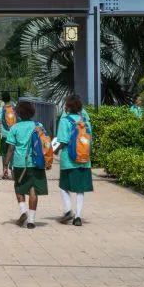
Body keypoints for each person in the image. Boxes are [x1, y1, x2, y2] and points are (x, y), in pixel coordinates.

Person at [4, 100, 45, 229]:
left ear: (19, 113)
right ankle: (31, 221)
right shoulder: (38, 126)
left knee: (19, 188)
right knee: (33, 190)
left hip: (20, 163)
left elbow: (11, 149)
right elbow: (45, 143)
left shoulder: (15, 128)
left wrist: (6, 165)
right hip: (36, 162)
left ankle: (23, 211)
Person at [56, 95, 92, 227]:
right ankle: (78, 216)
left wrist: (55, 151)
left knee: (63, 186)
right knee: (80, 189)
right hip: (84, 160)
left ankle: (67, 210)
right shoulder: (86, 122)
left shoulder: (65, 121)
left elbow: (63, 141)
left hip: (68, 160)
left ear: (68, 107)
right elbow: (90, 141)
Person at [0, 93, 18, 179]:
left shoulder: (1, 109)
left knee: (4, 153)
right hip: (14, 135)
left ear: (2, 100)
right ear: (10, 98)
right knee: (13, 153)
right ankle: (13, 172)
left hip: (4, 136)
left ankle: (5, 172)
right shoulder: (14, 109)